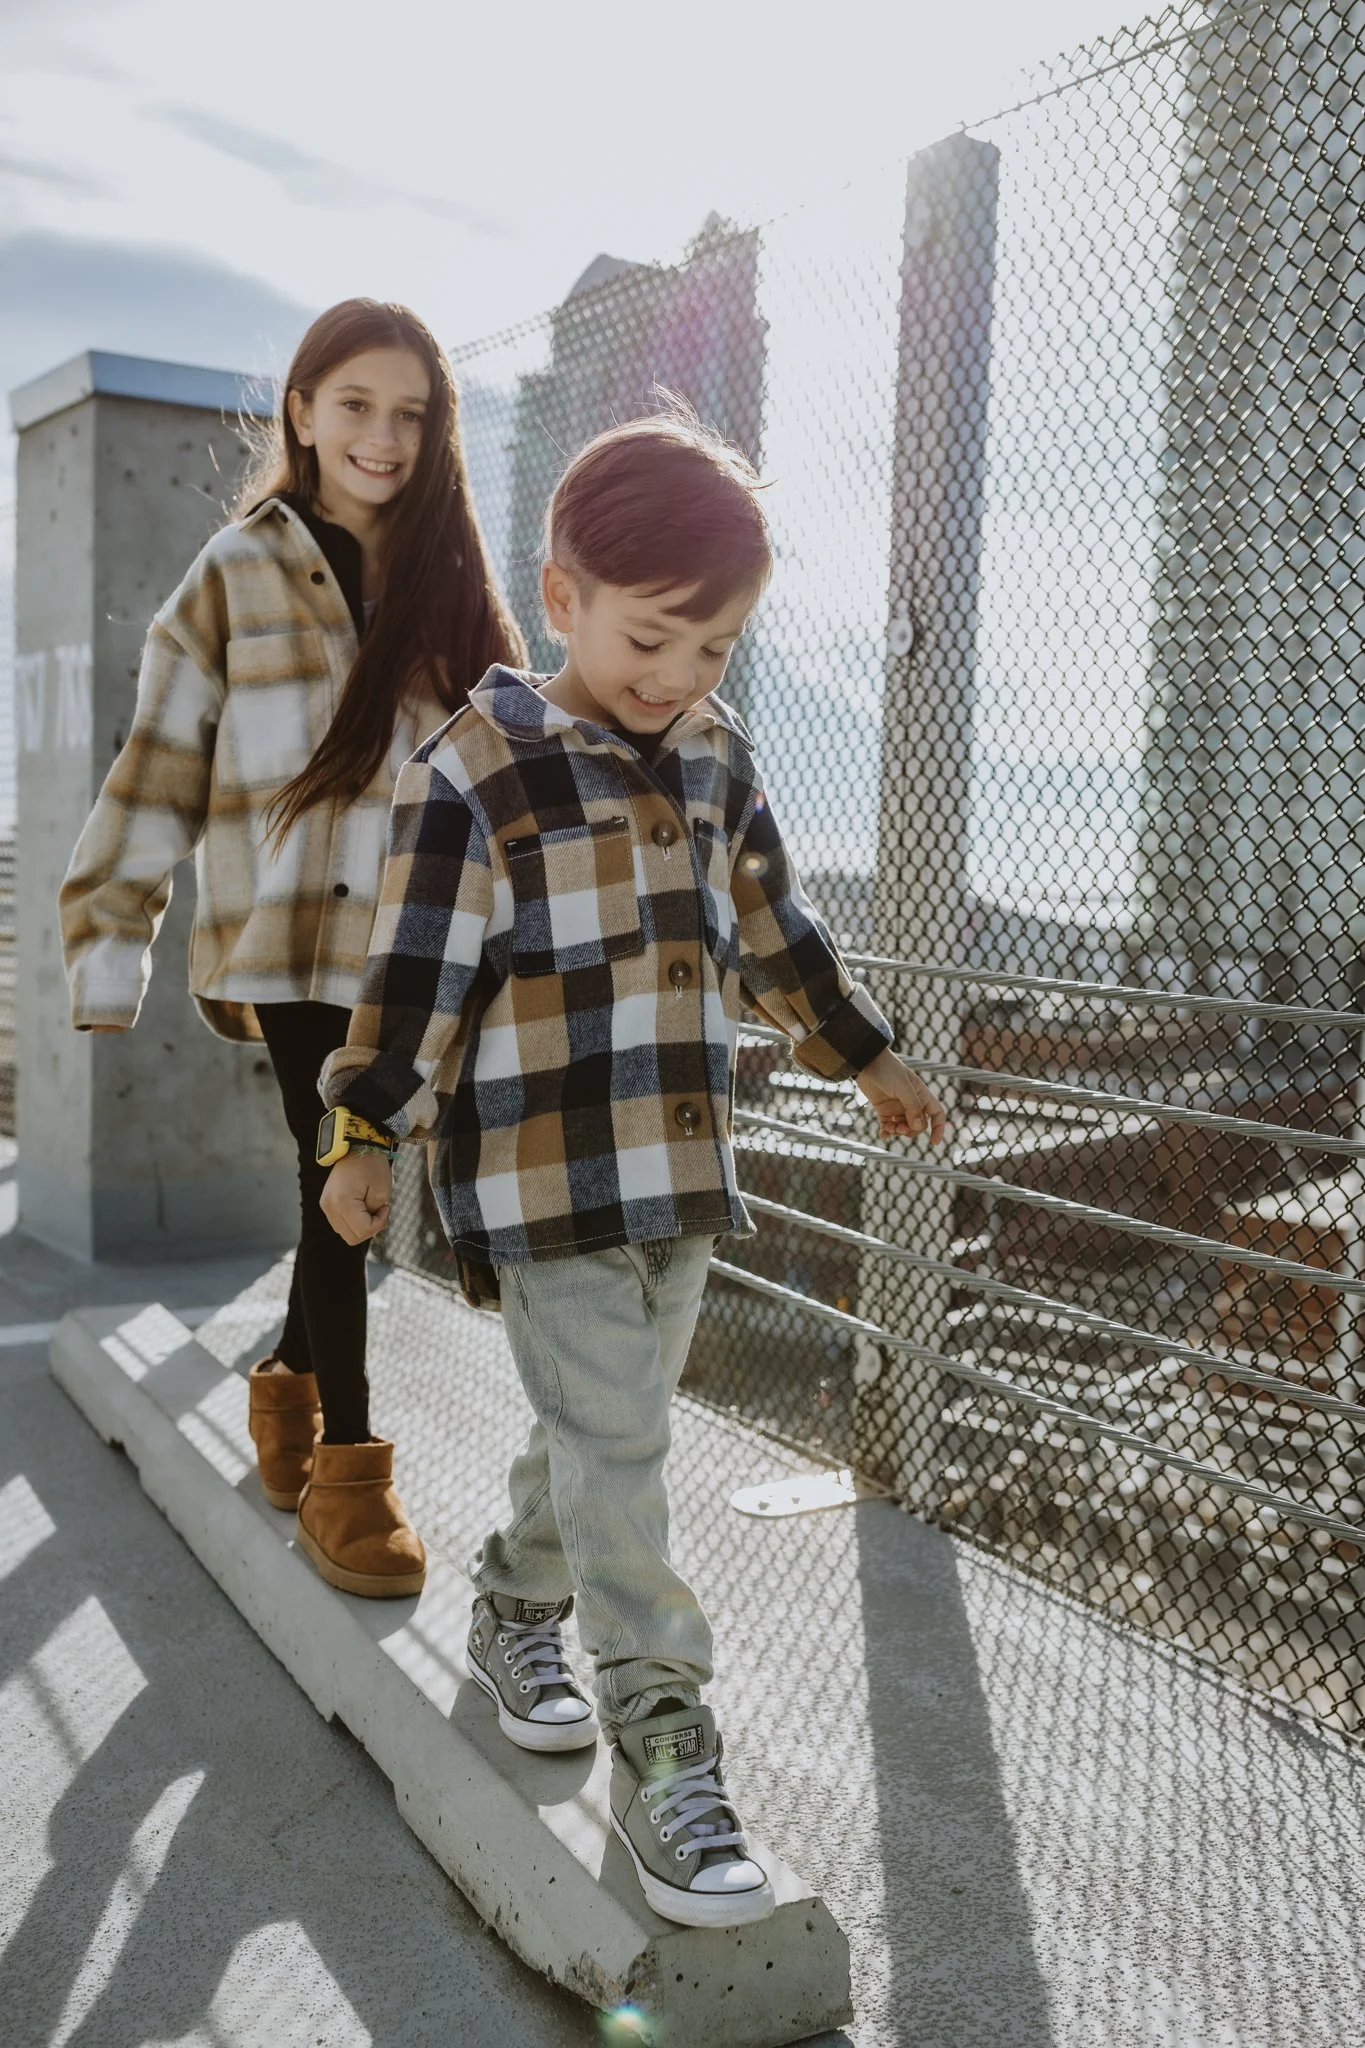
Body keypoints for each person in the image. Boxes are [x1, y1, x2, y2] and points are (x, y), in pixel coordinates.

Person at [316, 408, 946, 1924]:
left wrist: (864, 1052)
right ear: (563, 597)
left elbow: (777, 931)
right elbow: (415, 974)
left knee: (606, 1429)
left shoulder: (720, 761)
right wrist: (364, 1130)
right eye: (651, 637)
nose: (678, 675)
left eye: (714, 648)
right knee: (619, 1447)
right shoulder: (482, 769)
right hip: (541, 1186)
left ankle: (515, 1604)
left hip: (680, 1172)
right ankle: (664, 1737)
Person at [59, 298, 525, 1598]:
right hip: (286, 940)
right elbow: (156, 764)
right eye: (357, 404)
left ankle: (283, 1379)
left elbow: (507, 766)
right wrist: (110, 944)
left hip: (411, 945)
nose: (385, 436)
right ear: (304, 412)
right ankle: (348, 1476)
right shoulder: (234, 571)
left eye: (412, 414)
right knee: (341, 1164)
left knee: (339, 1195)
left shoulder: (449, 583)